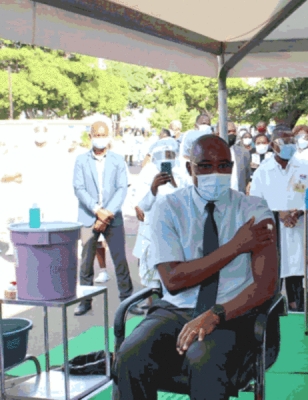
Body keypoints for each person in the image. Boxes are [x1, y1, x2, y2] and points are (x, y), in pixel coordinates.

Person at [113, 134, 277, 399]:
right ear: (190, 169)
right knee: (131, 354)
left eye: (224, 165)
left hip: (231, 312)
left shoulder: (253, 209)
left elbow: (265, 285)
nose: (216, 172)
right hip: (175, 310)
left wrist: (216, 313)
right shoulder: (169, 207)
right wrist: (236, 246)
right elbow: (174, 281)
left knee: (203, 358)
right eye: (205, 166)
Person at [72, 121, 139, 316]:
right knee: (86, 261)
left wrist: (106, 213)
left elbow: (121, 188)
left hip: (113, 217)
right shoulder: (81, 160)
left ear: (109, 136)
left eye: (104, 135)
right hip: (89, 216)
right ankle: (85, 301)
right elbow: (79, 188)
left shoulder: (118, 160)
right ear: (90, 136)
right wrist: (96, 210)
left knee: (120, 259)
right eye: (97, 134)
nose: (100, 138)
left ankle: (127, 300)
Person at [250, 127, 308, 311]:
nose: (289, 145)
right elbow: (255, 204)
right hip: (274, 235)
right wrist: (278, 213)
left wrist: (299, 212)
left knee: (299, 285)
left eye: (291, 141)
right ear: (273, 145)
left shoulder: (306, 168)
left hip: (299, 231)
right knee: (273, 283)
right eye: (283, 142)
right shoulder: (263, 172)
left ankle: (302, 321)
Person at [132, 138, 186, 310]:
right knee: (153, 283)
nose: (166, 158)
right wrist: (153, 189)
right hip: (152, 234)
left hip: (178, 235)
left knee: (174, 280)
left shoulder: (182, 172)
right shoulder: (147, 173)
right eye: (162, 154)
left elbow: (188, 202)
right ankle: (153, 312)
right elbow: (141, 207)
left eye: (170, 154)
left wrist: (175, 184)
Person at [219, 122, 252, 193]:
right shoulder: (211, 153)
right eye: (228, 131)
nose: (232, 134)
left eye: (234, 131)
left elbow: (246, 177)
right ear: (218, 133)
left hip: (238, 197)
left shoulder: (244, 153)